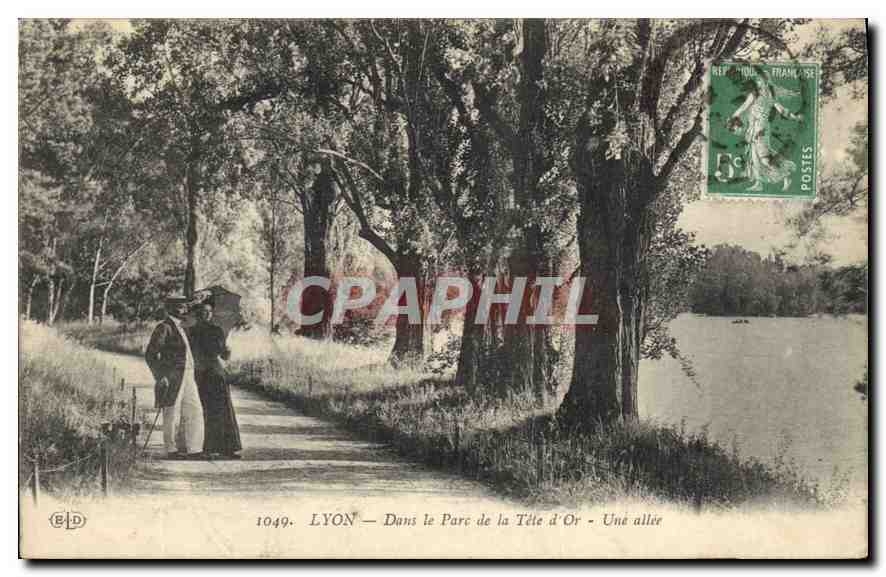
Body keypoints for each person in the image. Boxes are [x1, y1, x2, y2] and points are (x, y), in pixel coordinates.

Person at [145, 297, 205, 459]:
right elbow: (150, 354)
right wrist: (160, 376)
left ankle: (195, 450)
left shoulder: (184, 328)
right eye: (179, 307)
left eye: (184, 306)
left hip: (188, 374)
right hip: (173, 376)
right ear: (170, 308)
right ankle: (170, 450)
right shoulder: (164, 327)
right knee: (171, 412)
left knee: (195, 410)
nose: (183, 309)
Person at [728, 69, 804, 192]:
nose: (758, 82)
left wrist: (795, 117)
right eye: (757, 80)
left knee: (764, 159)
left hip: (761, 128)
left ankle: (786, 173)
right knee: (753, 156)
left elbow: (781, 110)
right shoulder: (757, 94)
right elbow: (744, 107)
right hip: (753, 127)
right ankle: (759, 183)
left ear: (766, 81)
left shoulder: (768, 94)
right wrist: (734, 117)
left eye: (761, 80)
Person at [189, 302, 242, 459]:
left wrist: (227, 352)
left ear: (211, 313)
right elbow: (212, 352)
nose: (206, 314)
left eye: (208, 311)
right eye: (203, 311)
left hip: (213, 373)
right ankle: (209, 446)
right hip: (204, 373)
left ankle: (224, 447)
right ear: (198, 314)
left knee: (220, 409)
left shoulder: (212, 331)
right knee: (206, 408)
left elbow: (223, 354)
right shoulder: (195, 332)